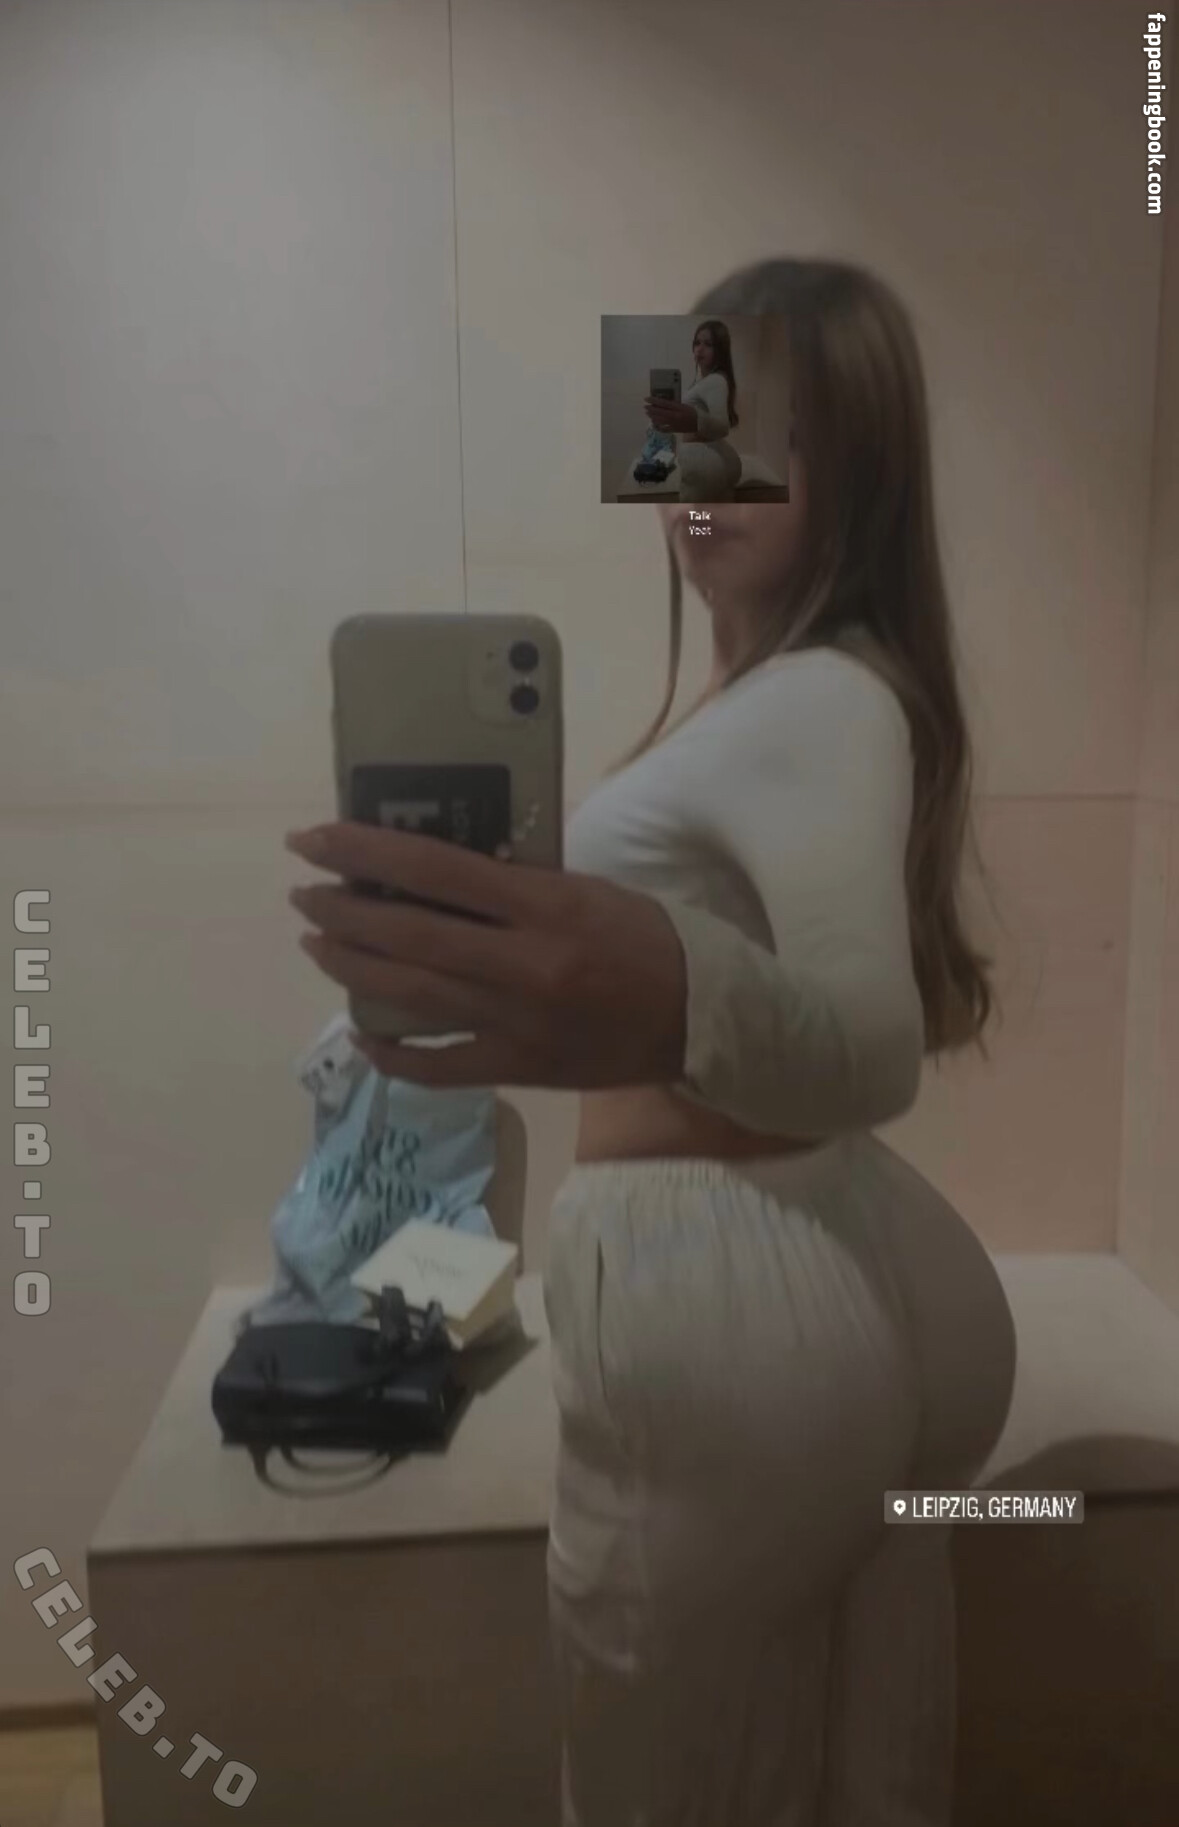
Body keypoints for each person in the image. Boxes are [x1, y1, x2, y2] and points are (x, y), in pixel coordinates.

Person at [285, 256, 1018, 1826]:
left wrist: (661, 987)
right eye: (689, 427)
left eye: (767, 442)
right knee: (840, 1765)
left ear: (860, 469)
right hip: (825, 1270)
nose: (704, 482)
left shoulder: (816, 701)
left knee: (654, 1781)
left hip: (733, 1297)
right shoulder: (786, 698)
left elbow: (869, 1042)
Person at [646, 317, 744, 502]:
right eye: (697, 343)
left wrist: (693, 419)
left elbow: (722, 426)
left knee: (698, 519)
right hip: (709, 463)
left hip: (703, 464)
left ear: (720, 350)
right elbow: (695, 423)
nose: (700, 349)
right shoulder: (706, 381)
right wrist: (671, 423)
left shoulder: (715, 381)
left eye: (708, 344)